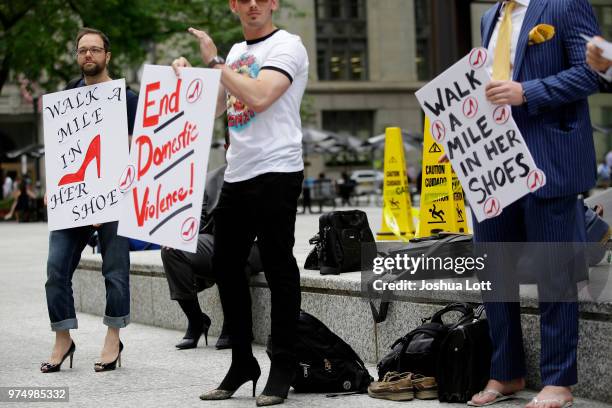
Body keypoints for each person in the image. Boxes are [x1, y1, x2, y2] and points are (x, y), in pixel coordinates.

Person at [172, 0, 308, 405]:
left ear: (273, 4)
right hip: (238, 172)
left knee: (278, 261)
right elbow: (216, 109)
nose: (252, 4)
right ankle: (242, 362)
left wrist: (214, 63)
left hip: (278, 170)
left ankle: (282, 362)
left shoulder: (288, 45)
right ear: (234, 5)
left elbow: (263, 96)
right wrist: (187, 79)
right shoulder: (235, 53)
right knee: (224, 264)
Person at [467, 1, 601, 407]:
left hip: (550, 159)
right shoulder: (490, 17)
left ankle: (559, 381)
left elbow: (593, 73)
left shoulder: (565, 4)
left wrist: (529, 92)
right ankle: (505, 372)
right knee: (494, 272)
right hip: (492, 165)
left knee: (555, 273)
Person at [41, 27, 138, 374]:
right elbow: (62, 148)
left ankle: (113, 336)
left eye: (95, 50)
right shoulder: (68, 94)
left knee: (115, 272)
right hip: (73, 198)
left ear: (107, 56)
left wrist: (103, 199)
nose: (88, 56)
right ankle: (63, 338)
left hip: (113, 201)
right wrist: (56, 185)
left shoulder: (126, 99)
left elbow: (132, 153)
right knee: (55, 270)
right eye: (82, 50)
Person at [160, 136, 262, 350]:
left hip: (254, 244)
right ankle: (196, 321)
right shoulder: (211, 179)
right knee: (172, 250)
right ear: (226, 148)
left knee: (233, 254)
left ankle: (233, 324)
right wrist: (179, 238)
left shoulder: (264, 174)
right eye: (235, 144)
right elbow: (199, 221)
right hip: (216, 239)